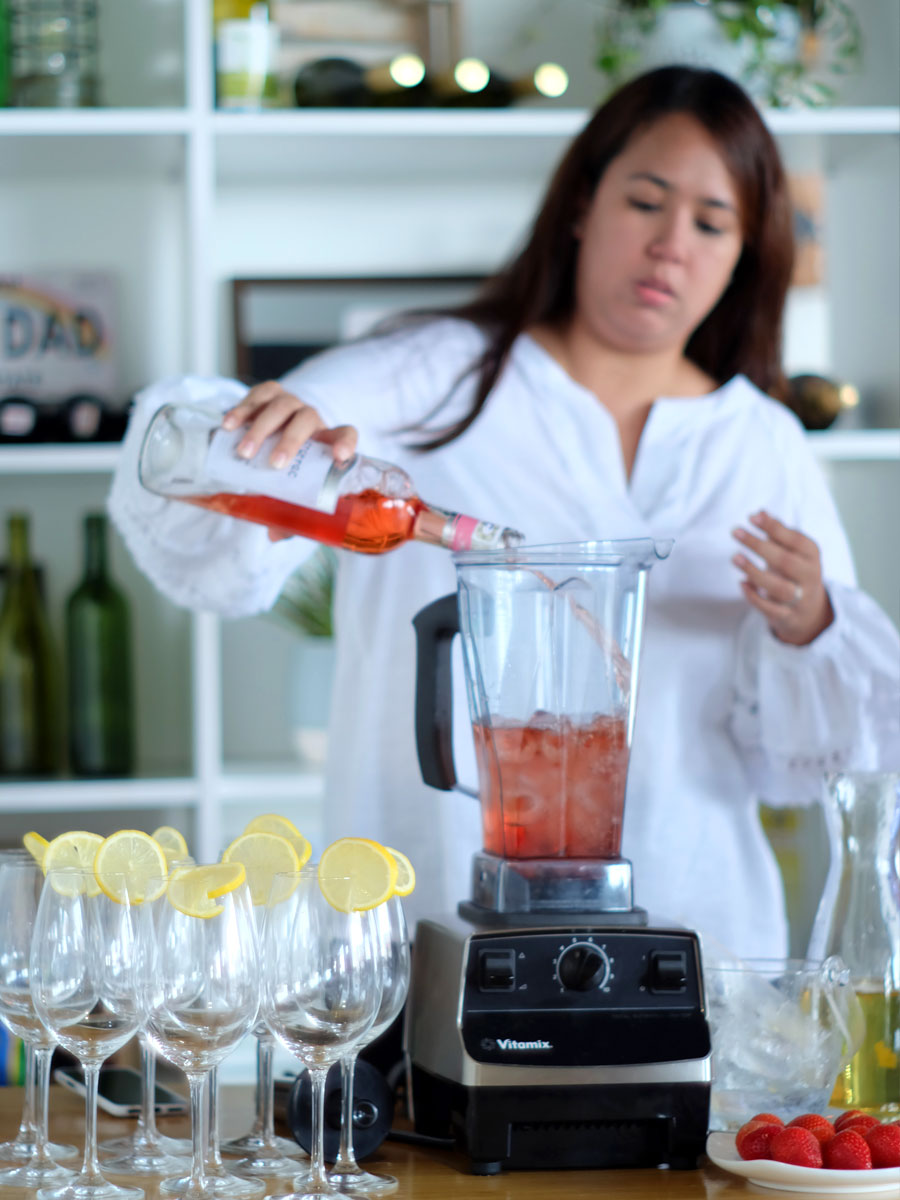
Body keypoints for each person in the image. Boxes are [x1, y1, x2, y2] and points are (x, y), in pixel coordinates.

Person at [109, 66, 900, 960]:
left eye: (712, 224)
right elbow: (218, 477)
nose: (671, 246)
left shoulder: (761, 443)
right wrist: (263, 433)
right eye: (646, 202)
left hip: (699, 932)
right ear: (582, 205)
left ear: (746, 254)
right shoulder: (436, 371)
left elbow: (818, 769)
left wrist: (812, 625)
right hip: (430, 917)